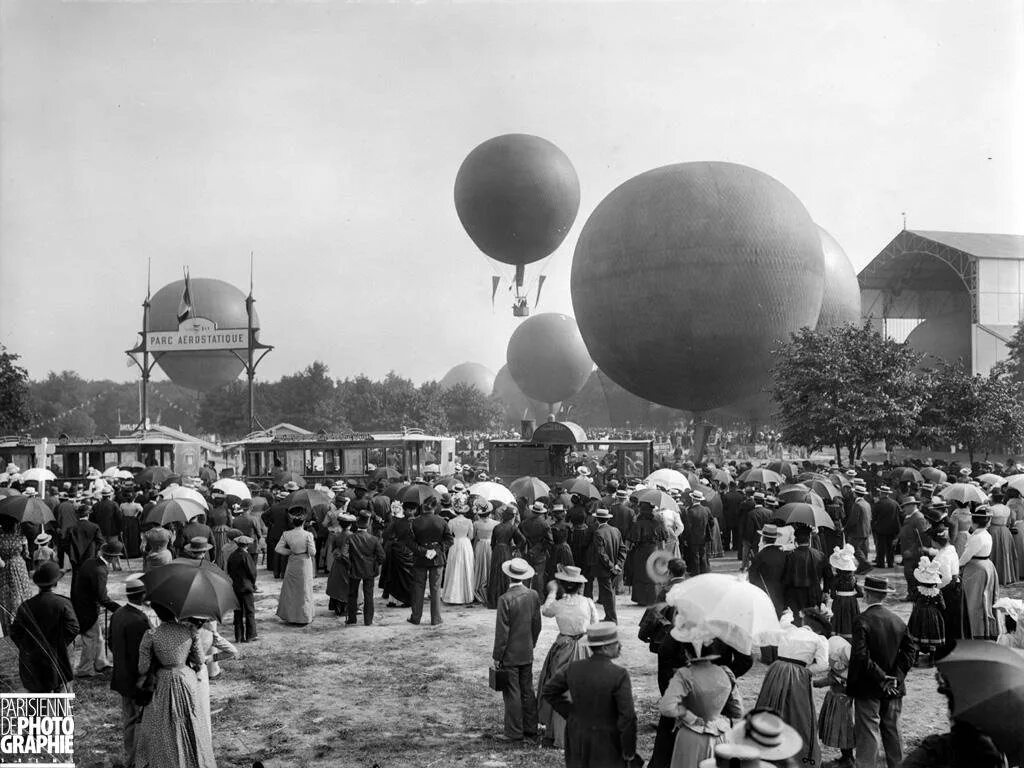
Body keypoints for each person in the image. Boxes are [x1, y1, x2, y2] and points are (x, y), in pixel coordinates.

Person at [541, 621, 639, 767]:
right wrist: (629, 750)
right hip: (607, 738)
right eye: (616, 643)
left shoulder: (573, 668)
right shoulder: (619, 674)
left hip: (577, 734)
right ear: (606, 647)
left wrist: (571, 713)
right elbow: (628, 716)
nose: (620, 646)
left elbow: (549, 691)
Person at [846, 575, 916, 768]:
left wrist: (881, 676)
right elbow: (911, 651)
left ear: (866, 595)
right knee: (892, 728)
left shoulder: (862, 620)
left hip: (869, 685)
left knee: (868, 729)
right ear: (884, 596)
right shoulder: (897, 620)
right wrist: (896, 677)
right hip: (893, 686)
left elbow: (860, 656)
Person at [135, 603, 215, 768]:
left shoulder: (151, 634)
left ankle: (164, 760)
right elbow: (200, 660)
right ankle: (193, 759)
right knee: (191, 719)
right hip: (186, 679)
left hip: (162, 680)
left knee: (162, 724)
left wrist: (158, 659)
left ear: (157, 613)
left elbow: (142, 668)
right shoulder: (189, 631)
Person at [658, 630, 744, 768]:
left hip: (691, 736)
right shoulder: (726, 673)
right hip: (721, 735)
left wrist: (688, 715)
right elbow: (738, 711)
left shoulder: (685, 675)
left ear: (687, 653)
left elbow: (667, 707)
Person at [536, 565, 598, 749]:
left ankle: (560, 734)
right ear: (579, 586)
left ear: (564, 585)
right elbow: (595, 624)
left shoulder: (559, 604)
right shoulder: (587, 602)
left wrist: (552, 592)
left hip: (563, 646)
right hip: (584, 647)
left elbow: (545, 611)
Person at [754, 627, 823, 767]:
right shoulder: (819, 639)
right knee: (799, 712)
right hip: (797, 674)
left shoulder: (788, 630)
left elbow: (769, 639)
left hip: (777, 670)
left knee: (769, 705)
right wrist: (807, 671)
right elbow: (823, 664)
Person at [492, 557, 542, 743]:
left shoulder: (504, 599)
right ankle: (531, 729)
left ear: (508, 576)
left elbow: (502, 632)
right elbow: (537, 625)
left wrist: (497, 656)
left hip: (510, 654)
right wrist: (532, 643)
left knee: (512, 692)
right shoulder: (533, 595)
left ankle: (514, 732)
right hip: (527, 651)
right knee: (527, 690)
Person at [9, 561, 79, 692]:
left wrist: (29, 647)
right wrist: (58, 645)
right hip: (59, 659)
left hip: (34, 661)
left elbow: (15, 632)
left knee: (38, 699)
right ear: (56, 583)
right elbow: (73, 628)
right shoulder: (63, 603)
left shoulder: (25, 606)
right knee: (62, 694)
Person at [109, 579, 153, 767]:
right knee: (140, 721)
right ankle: (135, 761)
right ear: (143, 596)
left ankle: (130, 757)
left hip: (121, 676)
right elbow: (143, 656)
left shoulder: (118, 613)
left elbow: (111, 643)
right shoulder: (139, 621)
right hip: (137, 680)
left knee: (128, 720)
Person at [71, 540, 122, 677]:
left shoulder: (91, 561)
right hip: (86, 607)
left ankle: (101, 662)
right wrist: (120, 610)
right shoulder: (100, 570)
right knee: (90, 638)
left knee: (98, 636)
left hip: (81, 603)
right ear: (112, 557)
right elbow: (102, 598)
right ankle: (84, 669)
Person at [406, 496, 454, 626]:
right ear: (434, 507)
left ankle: (416, 618)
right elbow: (449, 540)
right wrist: (437, 550)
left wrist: (423, 551)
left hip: (420, 558)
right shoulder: (442, 521)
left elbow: (410, 542)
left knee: (418, 588)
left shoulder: (414, 522)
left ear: (423, 507)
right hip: (437, 558)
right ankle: (436, 619)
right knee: (436, 589)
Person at [814, 636, 855, 768]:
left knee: (841, 730)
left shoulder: (835, 677)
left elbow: (821, 683)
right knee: (847, 730)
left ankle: (847, 759)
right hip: (847, 702)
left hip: (838, 704)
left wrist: (812, 682)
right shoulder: (850, 677)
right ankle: (848, 757)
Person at [959, 505, 999, 640]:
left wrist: (957, 566)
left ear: (973, 522)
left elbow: (965, 557)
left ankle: (975, 630)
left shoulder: (977, 537)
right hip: (987, 566)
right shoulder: (985, 534)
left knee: (973, 601)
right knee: (985, 600)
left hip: (976, 570)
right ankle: (985, 629)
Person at [275, 508, 316, 625]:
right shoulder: (308, 535)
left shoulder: (286, 534)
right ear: (303, 522)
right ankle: (305, 616)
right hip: (304, 562)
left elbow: (278, 549)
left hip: (293, 561)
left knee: (291, 589)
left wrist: (291, 552)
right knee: (304, 589)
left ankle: (290, 615)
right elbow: (312, 552)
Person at [343, 514, 385, 626]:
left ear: (357, 524)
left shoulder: (350, 538)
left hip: (354, 569)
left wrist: (349, 565)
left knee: (352, 594)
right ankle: (368, 620)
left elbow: (344, 554)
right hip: (369, 570)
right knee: (368, 595)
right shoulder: (374, 539)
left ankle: (352, 618)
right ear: (369, 524)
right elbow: (382, 556)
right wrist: (374, 565)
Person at [626, 501, 669, 606]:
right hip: (654, 550)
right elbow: (664, 538)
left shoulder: (638, 523)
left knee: (640, 573)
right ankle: (652, 598)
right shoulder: (658, 522)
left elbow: (630, 541)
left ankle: (641, 599)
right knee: (652, 573)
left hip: (640, 551)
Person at [588, 508, 626, 624]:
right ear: (607, 519)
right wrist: (618, 565)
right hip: (614, 568)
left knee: (607, 594)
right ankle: (610, 617)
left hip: (604, 569)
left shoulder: (598, 533)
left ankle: (611, 618)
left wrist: (611, 566)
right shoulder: (616, 530)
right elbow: (622, 549)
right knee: (610, 593)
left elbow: (601, 554)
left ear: (597, 519)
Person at [782, 525, 826, 625]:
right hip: (815, 593)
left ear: (796, 541)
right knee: (814, 620)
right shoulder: (820, 555)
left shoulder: (791, 556)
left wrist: (784, 595)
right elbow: (828, 575)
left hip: (796, 594)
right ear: (809, 539)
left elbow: (787, 579)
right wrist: (826, 590)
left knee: (798, 620)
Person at [0, 515, 35, 636]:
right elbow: (26, 554)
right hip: (19, 566)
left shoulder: (0, 538)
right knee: (22, 592)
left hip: (4, 569)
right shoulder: (21, 538)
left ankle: (9, 624)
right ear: (15, 525)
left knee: (7, 595)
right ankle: (25, 622)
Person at [907, 557, 945, 665]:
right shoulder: (937, 592)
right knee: (932, 634)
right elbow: (943, 606)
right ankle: (931, 659)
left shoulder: (919, 590)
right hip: (933, 614)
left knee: (917, 632)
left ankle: (916, 658)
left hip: (919, 613)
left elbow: (913, 598)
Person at [487, 506, 526, 609]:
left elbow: (492, 543)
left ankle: (494, 600)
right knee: (505, 574)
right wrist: (516, 549)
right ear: (511, 517)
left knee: (495, 574)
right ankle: (505, 600)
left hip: (497, 550)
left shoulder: (497, 527)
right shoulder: (512, 528)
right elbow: (522, 540)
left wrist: (496, 550)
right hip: (506, 551)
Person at [747, 523, 786, 618]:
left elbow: (752, 577)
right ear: (775, 539)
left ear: (763, 539)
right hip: (781, 594)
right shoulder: (783, 554)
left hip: (764, 594)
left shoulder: (760, 556)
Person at [227, 534, 258, 642]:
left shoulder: (232, 555)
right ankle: (251, 635)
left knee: (238, 612)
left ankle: (239, 636)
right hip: (246, 587)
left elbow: (229, 571)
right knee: (250, 611)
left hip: (235, 586)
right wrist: (253, 584)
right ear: (247, 545)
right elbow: (252, 572)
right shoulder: (246, 556)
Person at [827, 544, 862, 641]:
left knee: (838, 618)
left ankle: (838, 635)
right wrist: (852, 595)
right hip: (851, 601)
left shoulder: (835, 579)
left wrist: (839, 595)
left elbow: (833, 595)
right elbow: (861, 593)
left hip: (839, 601)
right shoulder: (854, 579)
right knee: (851, 618)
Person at [441, 505, 475, 605]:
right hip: (465, 543)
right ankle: (466, 594)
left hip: (455, 543)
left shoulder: (452, 521)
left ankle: (452, 595)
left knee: (454, 566)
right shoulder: (469, 521)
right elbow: (471, 536)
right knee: (466, 566)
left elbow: (449, 533)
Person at [899, 498, 930, 601]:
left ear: (912, 506)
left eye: (906, 506)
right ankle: (912, 594)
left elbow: (922, 538)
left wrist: (912, 551)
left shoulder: (918, 518)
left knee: (912, 574)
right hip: (907, 550)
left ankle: (914, 595)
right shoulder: (909, 517)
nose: (904, 509)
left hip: (914, 553)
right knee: (909, 574)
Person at [987, 489, 1018, 586]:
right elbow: (1012, 519)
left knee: (994, 552)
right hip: (1005, 530)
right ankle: (1006, 576)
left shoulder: (992, 509)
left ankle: (994, 576)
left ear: (993, 499)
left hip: (994, 530)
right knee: (1005, 553)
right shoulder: (1007, 508)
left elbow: (988, 522)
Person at [472, 501, 498, 604]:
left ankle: (479, 587)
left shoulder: (476, 523)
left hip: (480, 545)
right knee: (489, 566)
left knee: (479, 566)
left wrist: (473, 549)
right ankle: (488, 589)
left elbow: (474, 537)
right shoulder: (496, 523)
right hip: (490, 545)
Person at [682, 492, 712, 576]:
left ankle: (696, 572)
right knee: (703, 554)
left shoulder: (690, 511)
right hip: (704, 535)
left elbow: (688, 527)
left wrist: (685, 538)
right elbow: (711, 522)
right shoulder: (706, 509)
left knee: (695, 555)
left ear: (693, 499)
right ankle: (704, 571)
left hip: (693, 536)